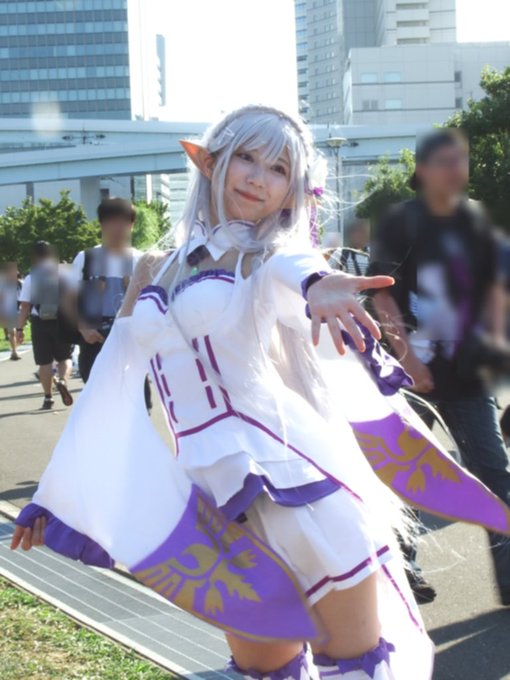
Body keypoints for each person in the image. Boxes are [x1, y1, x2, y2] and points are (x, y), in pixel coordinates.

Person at [11, 107, 510, 680]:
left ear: (293, 190)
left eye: (278, 168)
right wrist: (56, 492)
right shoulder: (152, 268)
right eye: (245, 157)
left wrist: (320, 285)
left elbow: (296, 271)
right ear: (209, 161)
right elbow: (111, 381)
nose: (257, 177)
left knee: (355, 669)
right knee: (266, 673)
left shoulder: (267, 258)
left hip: (299, 490)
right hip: (217, 505)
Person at [369, 128, 510, 605]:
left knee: (494, 475)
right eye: (446, 160)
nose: (456, 169)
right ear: (423, 170)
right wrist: (408, 359)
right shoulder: (401, 221)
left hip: (469, 374)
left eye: (461, 160)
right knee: (402, 476)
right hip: (409, 377)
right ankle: (404, 571)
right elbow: (382, 293)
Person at [73, 197, 142, 382]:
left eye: (124, 222)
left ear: (132, 225)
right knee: (96, 391)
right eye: (112, 222)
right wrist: (83, 328)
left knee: (136, 392)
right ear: (102, 224)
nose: (118, 228)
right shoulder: (86, 258)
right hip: (94, 339)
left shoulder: (141, 260)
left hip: (130, 339)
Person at [16, 241, 73, 410]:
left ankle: (48, 398)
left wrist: (20, 329)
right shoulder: (65, 272)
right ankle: (63, 381)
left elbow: (25, 306)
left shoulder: (31, 277)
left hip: (40, 322)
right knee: (65, 358)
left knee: (44, 363)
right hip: (63, 320)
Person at [0, 262, 22, 360]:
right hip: (5, 310)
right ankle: (14, 351)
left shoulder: (19, 284)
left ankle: (14, 351)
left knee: (15, 332)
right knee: (11, 331)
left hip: (15, 311)